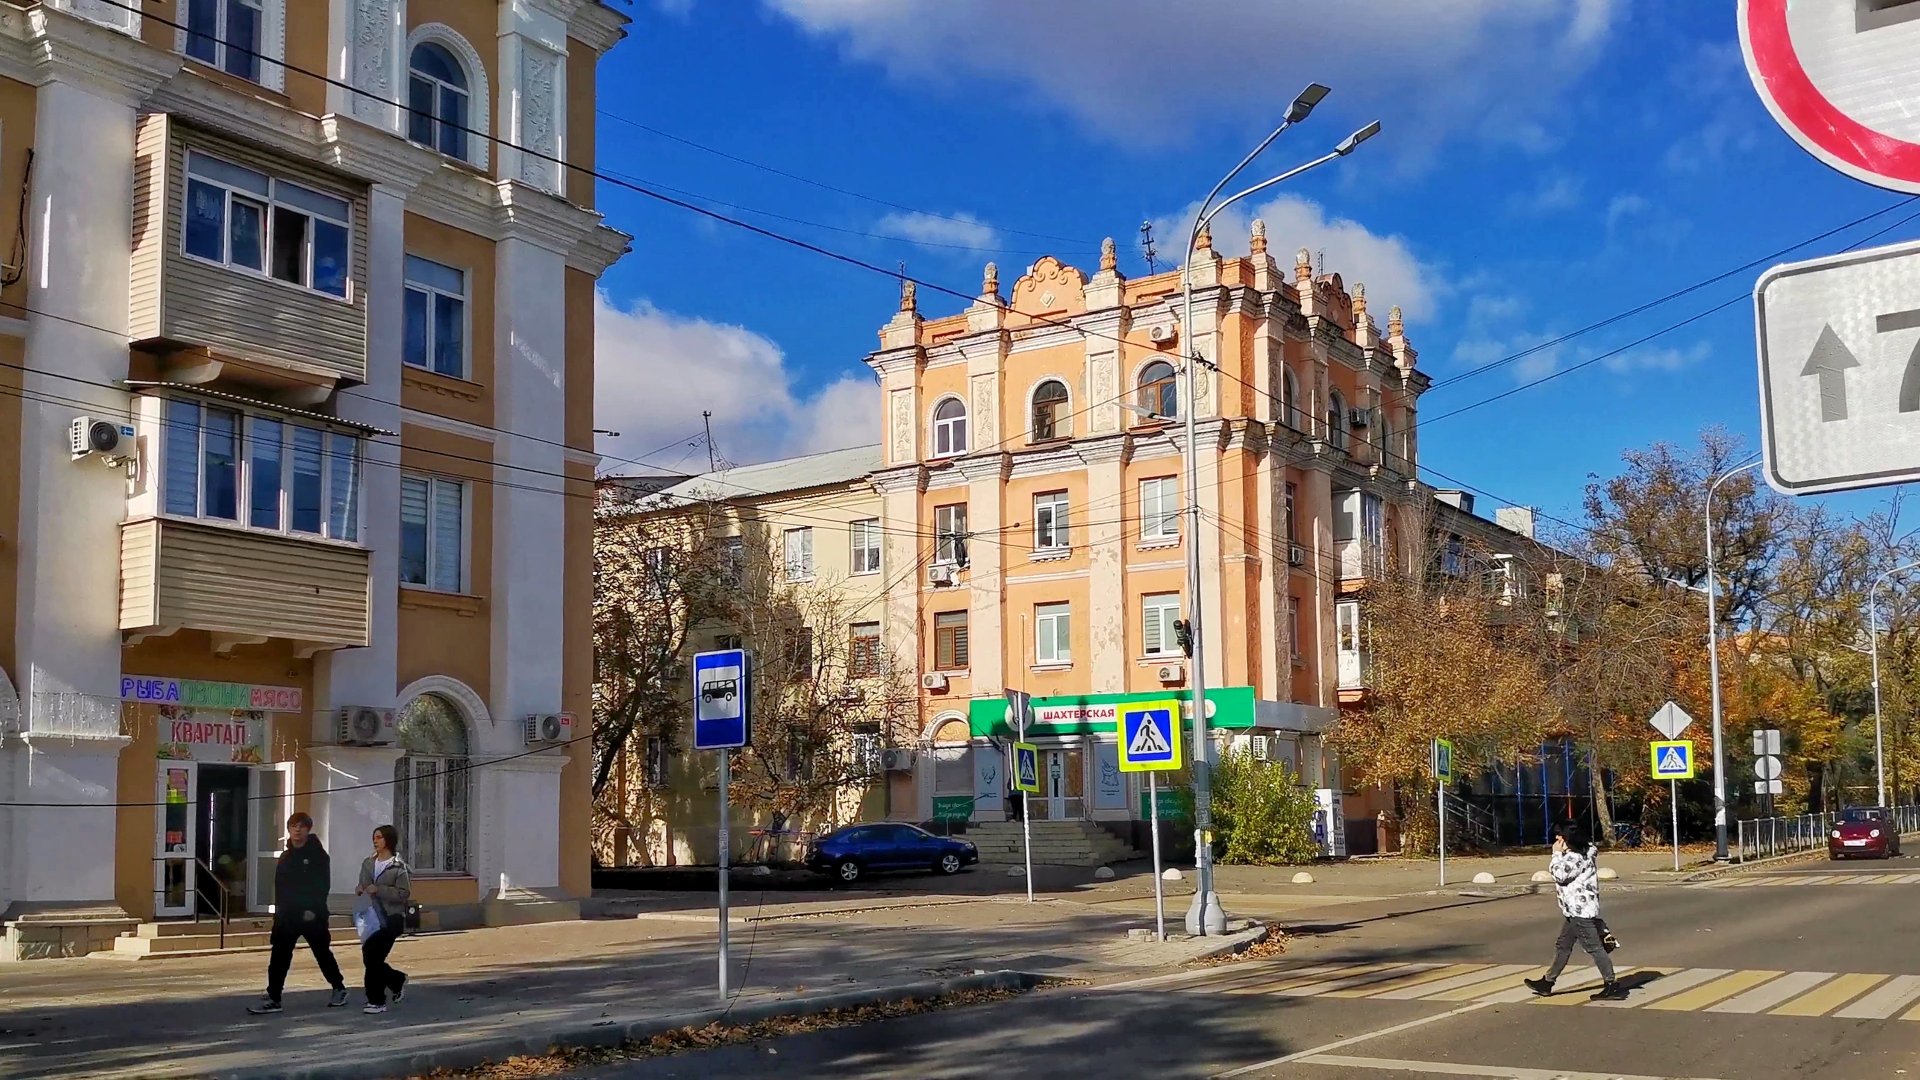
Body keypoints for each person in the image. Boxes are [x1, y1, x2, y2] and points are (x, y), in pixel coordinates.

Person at [248, 812, 348, 1014]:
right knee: (279, 957)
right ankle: (274, 997)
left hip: (311, 915)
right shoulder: (286, 857)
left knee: (322, 953)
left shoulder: (318, 856)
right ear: (289, 829)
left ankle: (338, 987)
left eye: (301, 826)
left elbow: (322, 886)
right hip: (287, 916)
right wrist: (278, 914)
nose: (297, 830)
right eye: (293, 826)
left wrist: (312, 909)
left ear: (308, 829)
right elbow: (280, 887)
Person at [1524, 823, 1628, 1002]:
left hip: (1579, 911)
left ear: (1569, 838)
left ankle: (1612, 984)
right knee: (1563, 945)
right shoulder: (1587, 850)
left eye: (1560, 836)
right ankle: (1547, 982)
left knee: (1594, 947)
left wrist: (1556, 854)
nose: (1557, 839)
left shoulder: (1574, 857)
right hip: (1576, 909)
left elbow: (1560, 875)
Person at [356, 824, 413, 1015]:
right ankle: (396, 980)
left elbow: (404, 893)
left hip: (391, 918)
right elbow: (364, 883)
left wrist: (379, 890)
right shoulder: (368, 863)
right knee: (371, 957)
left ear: (388, 840)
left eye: (379, 837)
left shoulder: (398, 866)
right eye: (374, 837)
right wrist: (361, 888)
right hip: (371, 917)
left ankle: (377, 1001)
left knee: (372, 957)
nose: (375, 841)